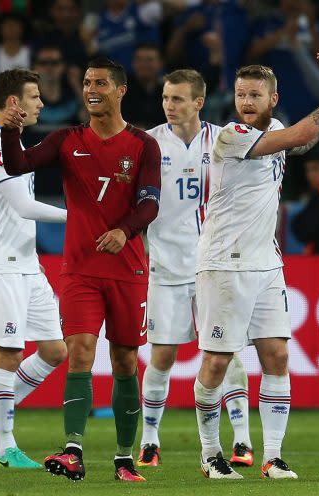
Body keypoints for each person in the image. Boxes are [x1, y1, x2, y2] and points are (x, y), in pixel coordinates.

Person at [193, 57, 319, 479]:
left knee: (277, 355)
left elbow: (303, 138)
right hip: (224, 263)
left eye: (254, 95)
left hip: (266, 264)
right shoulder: (231, 136)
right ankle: (211, 454)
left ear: (273, 98)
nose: (246, 102)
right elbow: (306, 133)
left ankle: (272, 457)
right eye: (240, 95)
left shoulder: (274, 130)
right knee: (216, 363)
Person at [0, 57, 161, 482]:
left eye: (101, 83)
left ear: (120, 90)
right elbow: (17, 165)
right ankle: (73, 450)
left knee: (126, 360)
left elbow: (150, 204)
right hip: (80, 270)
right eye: (87, 82)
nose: (91, 89)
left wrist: (125, 232)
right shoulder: (66, 139)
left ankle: (125, 459)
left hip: (128, 268)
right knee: (80, 353)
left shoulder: (143, 145)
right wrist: (11, 128)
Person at [139, 69, 253, 469]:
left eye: (178, 99)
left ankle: (242, 440)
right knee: (163, 354)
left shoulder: (223, 140)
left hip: (215, 265)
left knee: (226, 354)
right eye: (166, 98)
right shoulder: (149, 143)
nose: (170, 105)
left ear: (198, 103)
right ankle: (150, 440)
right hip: (165, 265)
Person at [0, 69, 68, 469]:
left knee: (55, 350)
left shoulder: (15, 145)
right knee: (8, 353)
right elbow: (24, 208)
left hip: (27, 264)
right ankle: (5, 446)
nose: (40, 103)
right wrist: (78, 218)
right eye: (33, 97)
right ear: (14, 104)